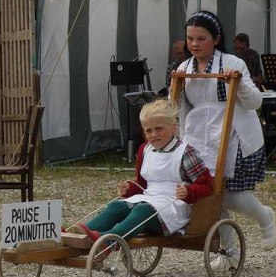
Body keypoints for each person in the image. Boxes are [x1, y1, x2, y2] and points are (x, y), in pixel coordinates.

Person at [174, 10, 276, 250]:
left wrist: (238, 83)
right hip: (198, 136)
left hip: (232, 136)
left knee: (232, 196)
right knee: (207, 195)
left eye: (201, 39)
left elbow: (255, 102)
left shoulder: (233, 63)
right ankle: (227, 250)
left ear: (216, 39)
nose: (194, 44)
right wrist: (175, 87)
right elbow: (180, 107)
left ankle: (265, 218)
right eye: (190, 39)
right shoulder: (184, 67)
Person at [69, 99, 213, 240]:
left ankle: (107, 240)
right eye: (149, 131)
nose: (154, 134)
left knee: (142, 210)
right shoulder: (145, 150)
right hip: (149, 200)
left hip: (173, 208)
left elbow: (207, 185)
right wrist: (130, 188)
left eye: (159, 129)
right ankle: (80, 234)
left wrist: (189, 192)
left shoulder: (185, 153)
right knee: (117, 206)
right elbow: (143, 185)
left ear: (173, 128)